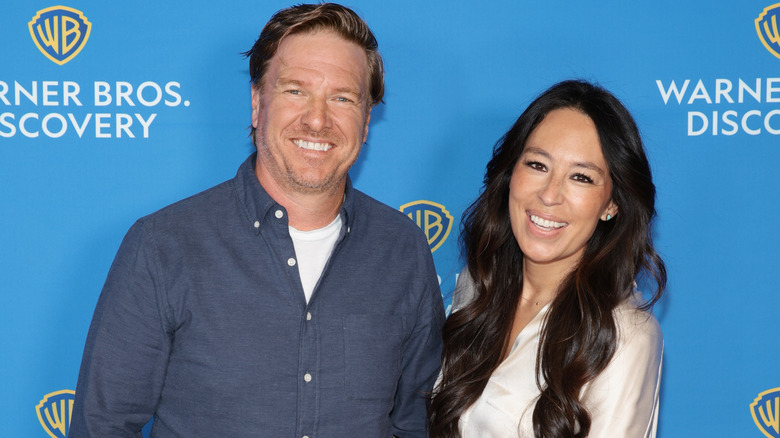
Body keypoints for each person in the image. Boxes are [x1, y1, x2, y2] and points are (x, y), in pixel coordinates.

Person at [68, 3, 444, 437]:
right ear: (256, 104)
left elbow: (413, 424)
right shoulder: (163, 246)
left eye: (342, 97)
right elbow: (102, 427)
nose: (318, 119)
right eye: (295, 91)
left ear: (365, 122)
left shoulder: (403, 248)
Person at [428, 80, 666, 437]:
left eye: (581, 177)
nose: (550, 195)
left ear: (612, 204)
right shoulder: (475, 288)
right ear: (511, 174)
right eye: (538, 165)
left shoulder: (625, 335)